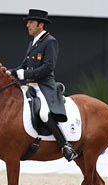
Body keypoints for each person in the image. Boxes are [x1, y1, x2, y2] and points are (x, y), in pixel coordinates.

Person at [8, 9, 78, 161]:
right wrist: (10, 72)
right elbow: (25, 64)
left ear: (41, 24)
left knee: (43, 113)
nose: (28, 25)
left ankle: (65, 145)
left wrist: (26, 75)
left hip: (44, 87)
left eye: (31, 22)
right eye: (28, 22)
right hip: (30, 87)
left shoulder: (50, 41)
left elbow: (48, 67)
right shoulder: (32, 42)